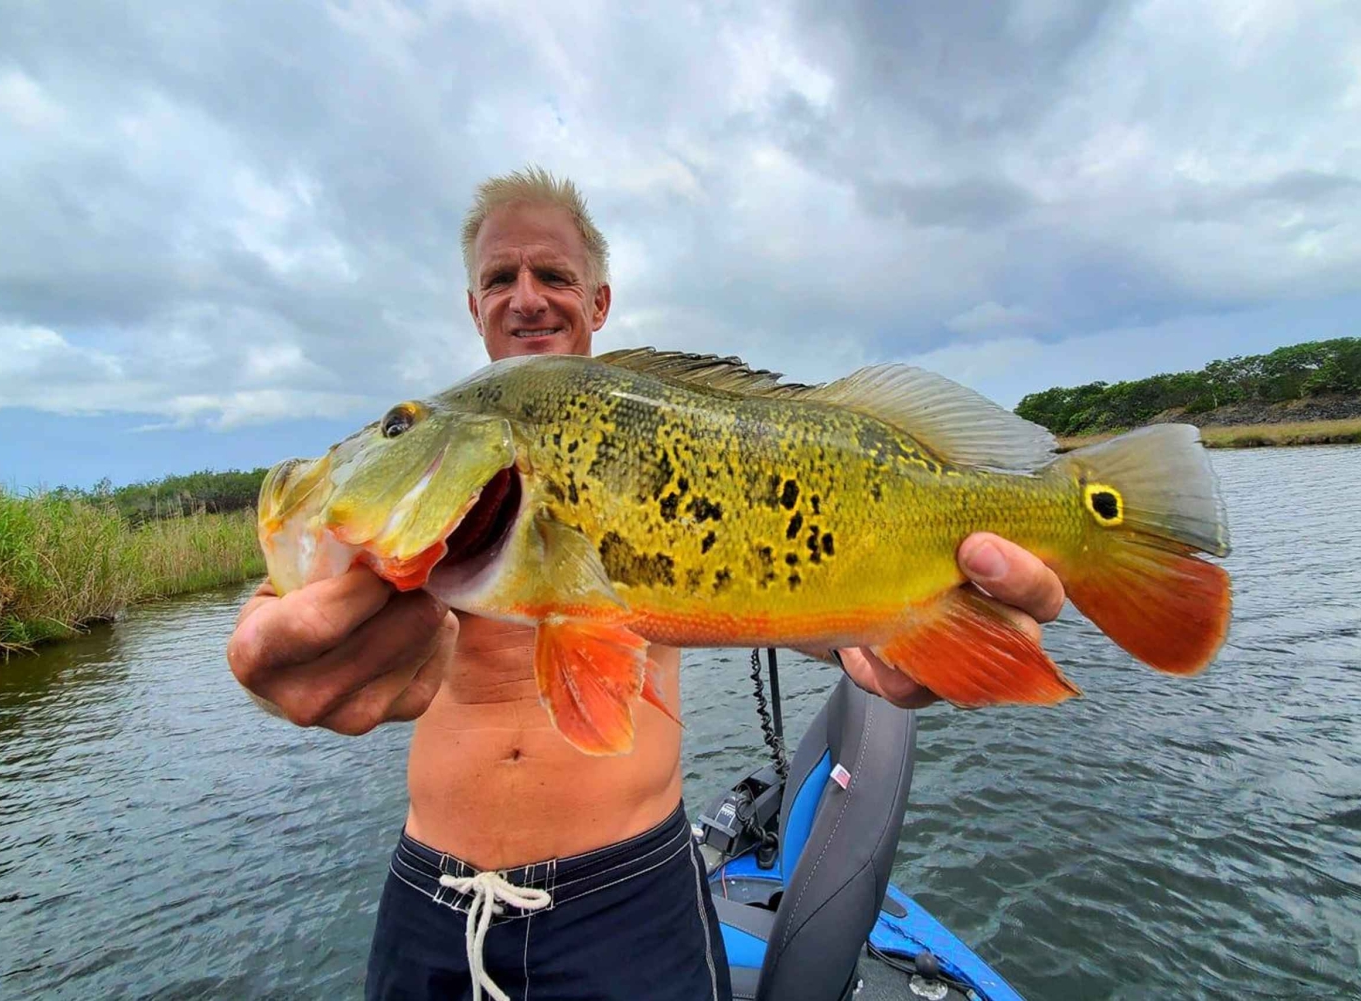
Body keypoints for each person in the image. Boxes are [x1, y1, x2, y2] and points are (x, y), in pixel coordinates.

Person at [226, 167, 1068, 1001]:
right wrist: (277, 676)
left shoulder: (650, 425)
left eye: (553, 275)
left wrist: (912, 642)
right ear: (472, 304)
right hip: (431, 904)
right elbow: (291, 625)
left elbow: (821, 609)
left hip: (630, 902)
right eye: (499, 278)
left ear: (597, 301)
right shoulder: (423, 481)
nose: (526, 297)